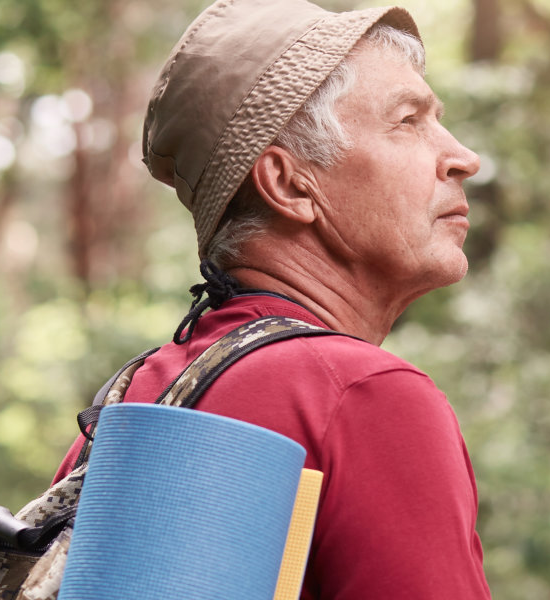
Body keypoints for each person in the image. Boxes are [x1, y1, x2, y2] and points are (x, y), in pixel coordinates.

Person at [46, 0, 490, 597]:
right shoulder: (360, 396)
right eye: (408, 121)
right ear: (288, 184)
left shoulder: (135, 399)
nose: (463, 157)